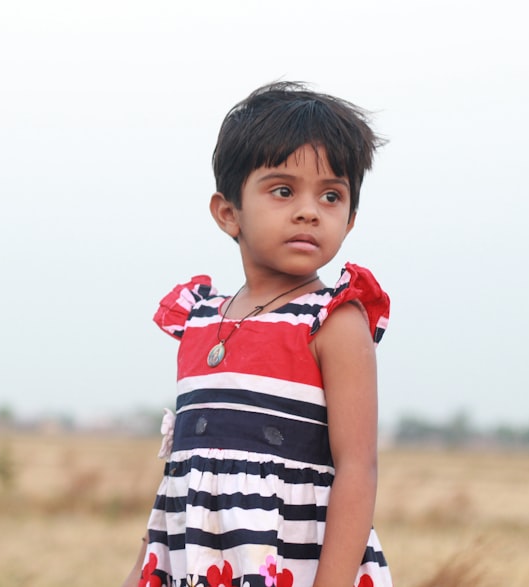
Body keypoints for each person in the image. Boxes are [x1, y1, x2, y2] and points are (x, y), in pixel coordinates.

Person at [123, 82, 392, 587]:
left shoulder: (332, 320)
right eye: (283, 190)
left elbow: (358, 469)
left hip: (294, 564)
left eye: (331, 195)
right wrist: (141, 571)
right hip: (195, 562)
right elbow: (182, 477)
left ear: (350, 219)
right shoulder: (198, 319)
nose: (309, 210)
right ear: (229, 213)